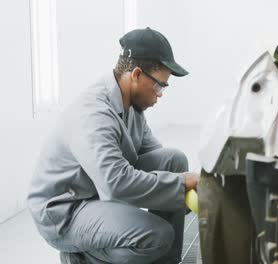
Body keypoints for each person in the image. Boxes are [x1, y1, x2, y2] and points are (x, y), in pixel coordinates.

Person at [27, 27, 200, 264]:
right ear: (137, 74)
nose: (160, 95)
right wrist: (183, 183)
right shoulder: (94, 114)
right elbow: (116, 183)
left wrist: (191, 192)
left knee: (174, 160)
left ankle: (167, 261)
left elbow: (160, 164)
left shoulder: (133, 108)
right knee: (157, 235)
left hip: (96, 193)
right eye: (160, 86)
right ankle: (82, 255)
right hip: (67, 210)